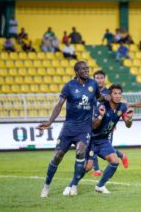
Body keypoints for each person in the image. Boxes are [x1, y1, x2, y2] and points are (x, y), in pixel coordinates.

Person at [38, 61, 110, 198]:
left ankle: (74, 185)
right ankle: (46, 185)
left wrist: (108, 97)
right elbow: (59, 104)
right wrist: (49, 121)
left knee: (81, 151)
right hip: (69, 128)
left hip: (84, 128)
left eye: (87, 68)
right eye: (83, 69)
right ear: (77, 72)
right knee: (57, 156)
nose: (87, 71)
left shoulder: (93, 84)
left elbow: (99, 96)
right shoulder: (69, 86)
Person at [63, 84, 133, 195]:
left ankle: (100, 186)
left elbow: (128, 125)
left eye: (120, 93)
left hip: (103, 140)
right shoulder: (102, 106)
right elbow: (94, 126)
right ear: (110, 95)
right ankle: (71, 185)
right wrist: (101, 116)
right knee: (87, 167)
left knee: (114, 161)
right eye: (115, 93)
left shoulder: (122, 107)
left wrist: (129, 119)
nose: (118, 96)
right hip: (91, 140)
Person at [91, 70, 129, 177]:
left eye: (101, 77)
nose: (99, 80)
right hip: (93, 120)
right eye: (97, 78)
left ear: (104, 79)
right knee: (92, 144)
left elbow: (116, 107)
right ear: (94, 79)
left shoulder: (110, 92)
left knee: (104, 146)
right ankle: (97, 169)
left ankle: (119, 156)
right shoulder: (91, 91)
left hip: (105, 123)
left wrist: (113, 123)